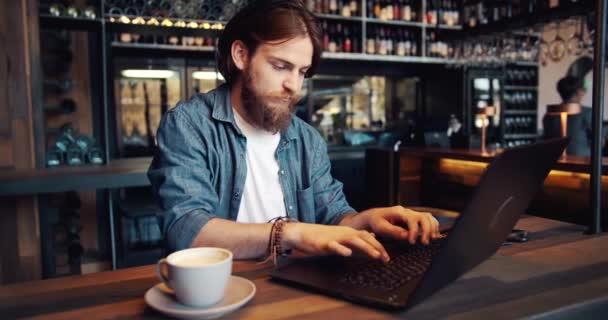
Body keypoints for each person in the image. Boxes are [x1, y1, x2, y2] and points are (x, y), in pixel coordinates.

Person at [148, 0, 440, 263]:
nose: (294, 86)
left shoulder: (306, 138)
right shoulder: (189, 125)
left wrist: (368, 219)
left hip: (291, 288)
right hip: (219, 292)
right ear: (240, 55)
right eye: (280, 66)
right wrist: (290, 233)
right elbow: (187, 230)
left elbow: (332, 217)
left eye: (302, 72)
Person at [543, 76, 592, 156]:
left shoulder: (549, 115)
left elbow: (546, 140)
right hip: (582, 163)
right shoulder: (587, 113)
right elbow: (599, 142)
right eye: (583, 89)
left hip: (553, 161)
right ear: (579, 92)